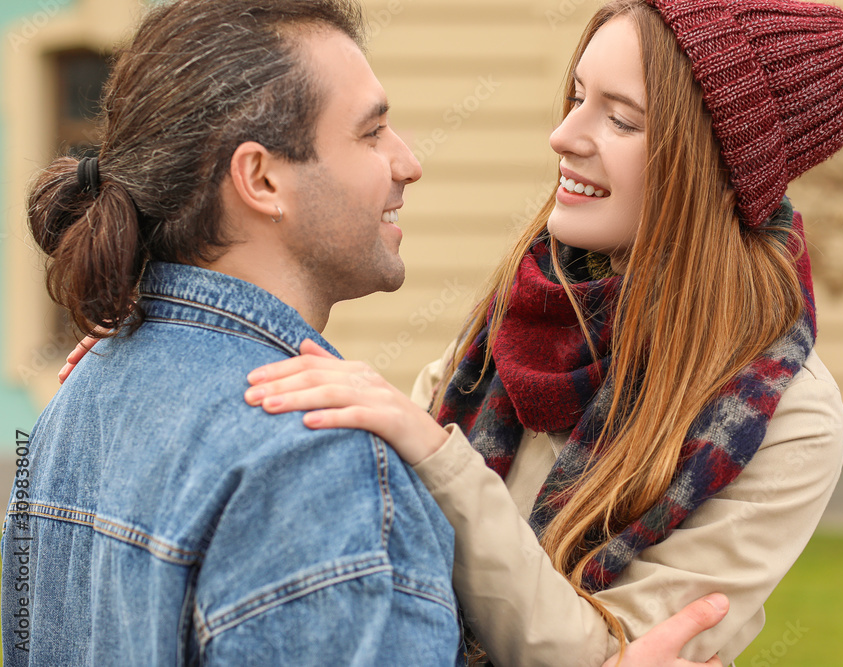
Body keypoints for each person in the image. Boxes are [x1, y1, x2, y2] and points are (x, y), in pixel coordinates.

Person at [9, 0, 731, 665]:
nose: (407, 163)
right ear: (261, 180)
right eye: (371, 131)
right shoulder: (321, 466)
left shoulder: (76, 402)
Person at [238, 1, 843, 666]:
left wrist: (434, 451)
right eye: (575, 97)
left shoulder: (786, 414)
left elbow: (606, 651)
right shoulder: (534, 299)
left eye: (621, 118)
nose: (565, 134)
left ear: (709, 168)